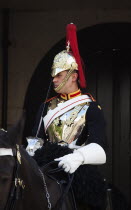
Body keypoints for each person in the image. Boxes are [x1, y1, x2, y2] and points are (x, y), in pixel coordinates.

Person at [27, 23, 107, 209]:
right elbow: (36, 139)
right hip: (47, 170)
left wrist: (77, 157)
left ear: (73, 76)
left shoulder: (90, 106)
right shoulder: (46, 107)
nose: (53, 79)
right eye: (53, 75)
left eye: (59, 75)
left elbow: (101, 148)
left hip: (76, 169)